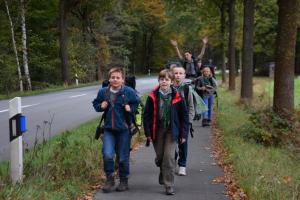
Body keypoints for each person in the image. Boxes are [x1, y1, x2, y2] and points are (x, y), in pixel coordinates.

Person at [92, 67, 140, 193]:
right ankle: (110, 179)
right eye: (113, 77)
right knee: (107, 155)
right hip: (108, 130)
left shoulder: (128, 92)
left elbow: (136, 102)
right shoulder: (103, 92)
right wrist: (100, 106)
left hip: (123, 130)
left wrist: (131, 109)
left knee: (123, 157)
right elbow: (96, 104)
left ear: (122, 80)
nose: (115, 79)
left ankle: (124, 180)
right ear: (109, 79)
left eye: (118, 77)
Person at [143, 69, 189, 195]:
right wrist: (147, 133)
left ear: (172, 82)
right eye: (162, 79)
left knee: (168, 157)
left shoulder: (178, 97)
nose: (164, 82)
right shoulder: (152, 96)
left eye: (167, 80)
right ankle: (163, 171)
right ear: (159, 81)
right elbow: (146, 115)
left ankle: (168, 184)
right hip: (156, 130)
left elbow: (184, 116)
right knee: (160, 158)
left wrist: (183, 134)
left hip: (172, 130)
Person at [172, 65, 195, 176]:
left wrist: (189, 120)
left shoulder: (187, 89)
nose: (178, 75)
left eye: (180, 73)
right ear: (172, 75)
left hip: (184, 121)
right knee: (171, 143)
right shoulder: (169, 87)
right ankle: (173, 160)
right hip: (171, 120)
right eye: (176, 73)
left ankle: (182, 165)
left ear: (184, 75)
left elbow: (191, 106)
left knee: (183, 143)